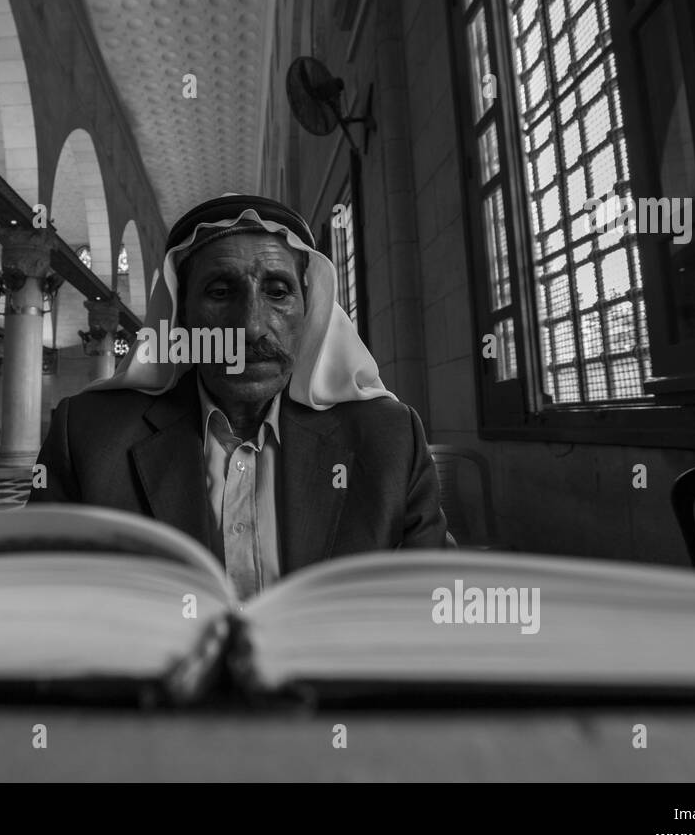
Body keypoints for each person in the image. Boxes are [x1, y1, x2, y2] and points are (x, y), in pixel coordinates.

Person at [30, 194, 452, 600]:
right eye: (220, 292)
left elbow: (424, 610)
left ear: (310, 313)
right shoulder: (88, 437)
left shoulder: (390, 440)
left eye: (278, 291)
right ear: (181, 318)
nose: (251, 328)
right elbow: (45, 608)